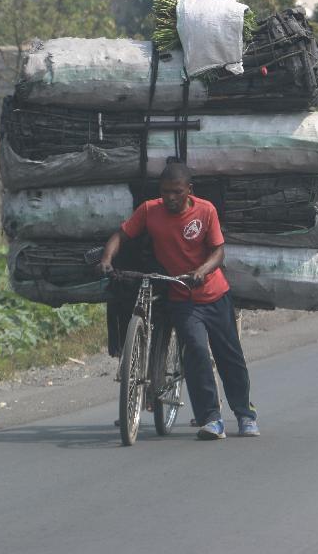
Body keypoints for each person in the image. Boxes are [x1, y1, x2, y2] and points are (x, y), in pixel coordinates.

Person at [98, 163, 258, 440]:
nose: (170, 197)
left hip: (214, 294)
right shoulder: (150, 210)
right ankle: (211, 419)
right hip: (181, 297)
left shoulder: (205, 210)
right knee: (195, 350)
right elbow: (120, 235)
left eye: (177, 192)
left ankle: (245, 414)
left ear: (189, 191)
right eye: (165, 192)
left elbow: (218, 252)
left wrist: (202, 271)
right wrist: (107, 259)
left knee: (229, 356)